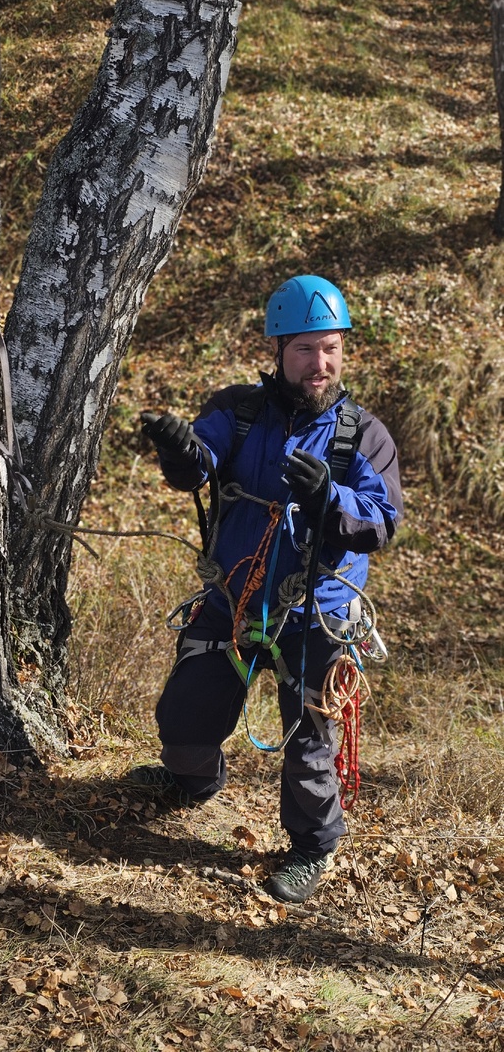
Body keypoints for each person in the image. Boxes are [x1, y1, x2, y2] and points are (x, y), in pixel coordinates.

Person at [136, 274, 403, 904]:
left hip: (317, 617)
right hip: (234, 603)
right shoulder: (240, 411)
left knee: (310, 744)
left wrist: (325, 497)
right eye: (307, 349)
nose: (321, 363)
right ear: (280, 349)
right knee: (183, 723)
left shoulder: (362, 435)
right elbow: (201, 461)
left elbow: (381, 521)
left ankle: (312, 848)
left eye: (332, 348)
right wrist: (181, 451)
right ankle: (193, 783)